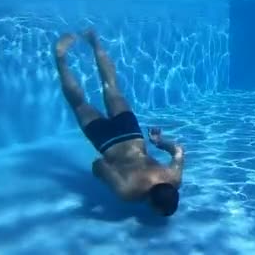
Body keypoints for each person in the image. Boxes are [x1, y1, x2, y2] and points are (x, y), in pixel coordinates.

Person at [54, 29, 184, 216]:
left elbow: (178, 150)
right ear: (150, 203)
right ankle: (60, 58)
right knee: (80, 104)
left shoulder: (174, 178)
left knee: (112, 87)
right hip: (107, 143)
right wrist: (103, 175)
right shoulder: (128, 192)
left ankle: (94, 41)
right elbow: (99, 165)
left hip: (131, 134)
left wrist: (158, 142)